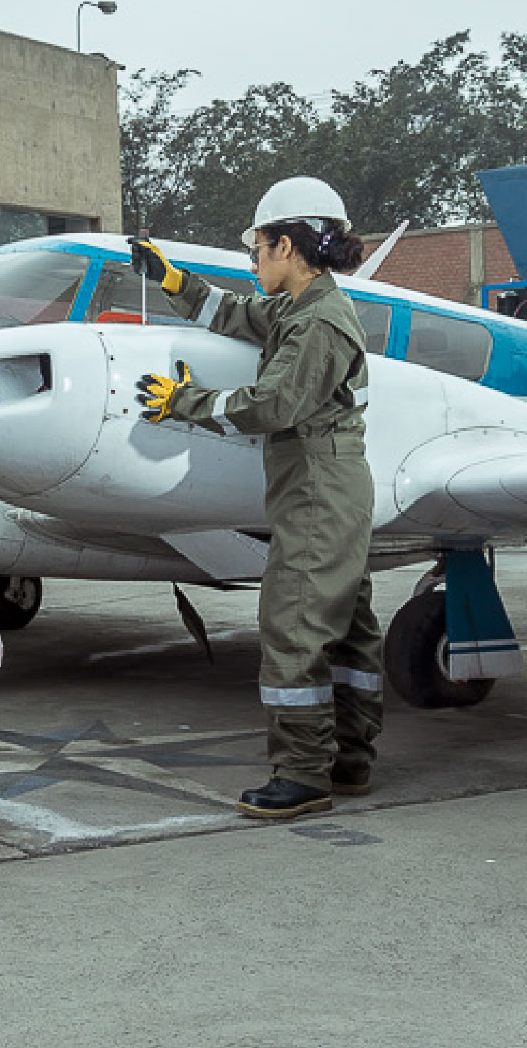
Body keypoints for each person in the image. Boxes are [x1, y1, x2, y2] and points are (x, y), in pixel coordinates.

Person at [130, 177, 385, 818]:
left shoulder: (319, 322)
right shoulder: (301, 306)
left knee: (294, 629)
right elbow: (237, 313)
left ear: (287, 245)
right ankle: (349, 760)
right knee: (347, 632)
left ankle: (303, 775)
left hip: (318, 494)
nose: (252, 262)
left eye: (257, 249)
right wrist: (173, 281)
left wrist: (182, 404)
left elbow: (274, 404)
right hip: (331, 488)